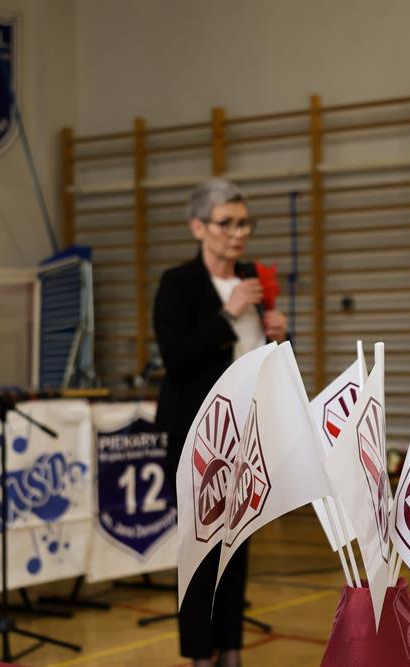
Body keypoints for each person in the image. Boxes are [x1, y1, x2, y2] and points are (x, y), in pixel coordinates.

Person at [154, 178, 287, 667]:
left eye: (244, 223)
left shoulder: (252, 276)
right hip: (197, 436)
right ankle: (199, 655)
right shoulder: (178, 283)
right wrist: (228, 314)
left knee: (237, 547)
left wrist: (281, 336)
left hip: (248, 433)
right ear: (198, 227)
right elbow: (176, 359)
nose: (238, 233)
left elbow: (263, 359)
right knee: (200, 550)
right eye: (226, 223)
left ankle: (231, 651)